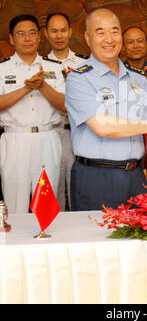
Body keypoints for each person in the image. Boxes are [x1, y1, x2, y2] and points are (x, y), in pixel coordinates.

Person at [65, 8, 147, 211]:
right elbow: (103, 127)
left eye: (114, 31)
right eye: (100, 32)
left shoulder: (138, 79)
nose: (109, 39)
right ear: (88, 38)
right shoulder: (79, 78)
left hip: (136, 176)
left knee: (138, 240)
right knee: (95, 238)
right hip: (96, 176)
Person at [0, 14, 66, 214]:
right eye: (21, 34)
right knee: (14, 202)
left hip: (47, 137)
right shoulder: (2, 69)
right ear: (12, 39)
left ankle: (47, 240)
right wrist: (26, 89)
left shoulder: (55, 68)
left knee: (47, 201)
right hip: (14, 138)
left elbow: (66, 105)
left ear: (39, 36)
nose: (27, 38)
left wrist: (43, 86)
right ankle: (14, 244)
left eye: (32, 33)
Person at [45, 13, 87, 210]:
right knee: (52, 187)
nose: (59, 35)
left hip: (77, 132)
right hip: (51, 132)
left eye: (63, 30)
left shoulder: (84, 64)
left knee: (77, 186)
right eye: (54, 31)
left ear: (70, 32)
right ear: (46, 34)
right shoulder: (39, 64)